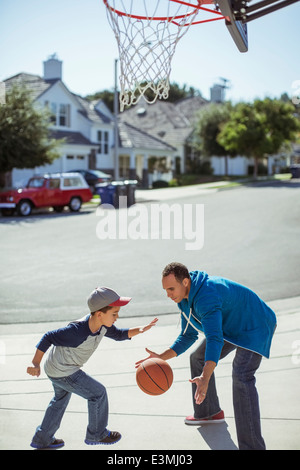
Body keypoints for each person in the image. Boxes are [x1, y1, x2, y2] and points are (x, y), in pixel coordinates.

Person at [136, 262, 277, 450]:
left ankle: (252, 447)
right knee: (197, 358)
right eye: (165, 290)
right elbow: (188, 335)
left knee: (242, 375)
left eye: (171, 288)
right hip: (233, 326)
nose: (168, 294)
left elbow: (215, 338)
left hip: (255, 324)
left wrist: (205, 377)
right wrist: (161, 357)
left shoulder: (206, 296)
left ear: (185, 282)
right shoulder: (184, 300)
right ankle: (209, 412)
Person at [27, 286, 158, 449]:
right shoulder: (77, 331)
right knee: (98, 393)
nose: (117, 317)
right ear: (99, 314)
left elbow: (119, 335)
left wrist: (140, 329)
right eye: (114, 314)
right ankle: (97, 434)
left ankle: (42, 439)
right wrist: (35, 363)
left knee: (59, 401)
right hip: (63, 371)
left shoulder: (102, 325)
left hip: (56, 367)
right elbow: (48, 337)